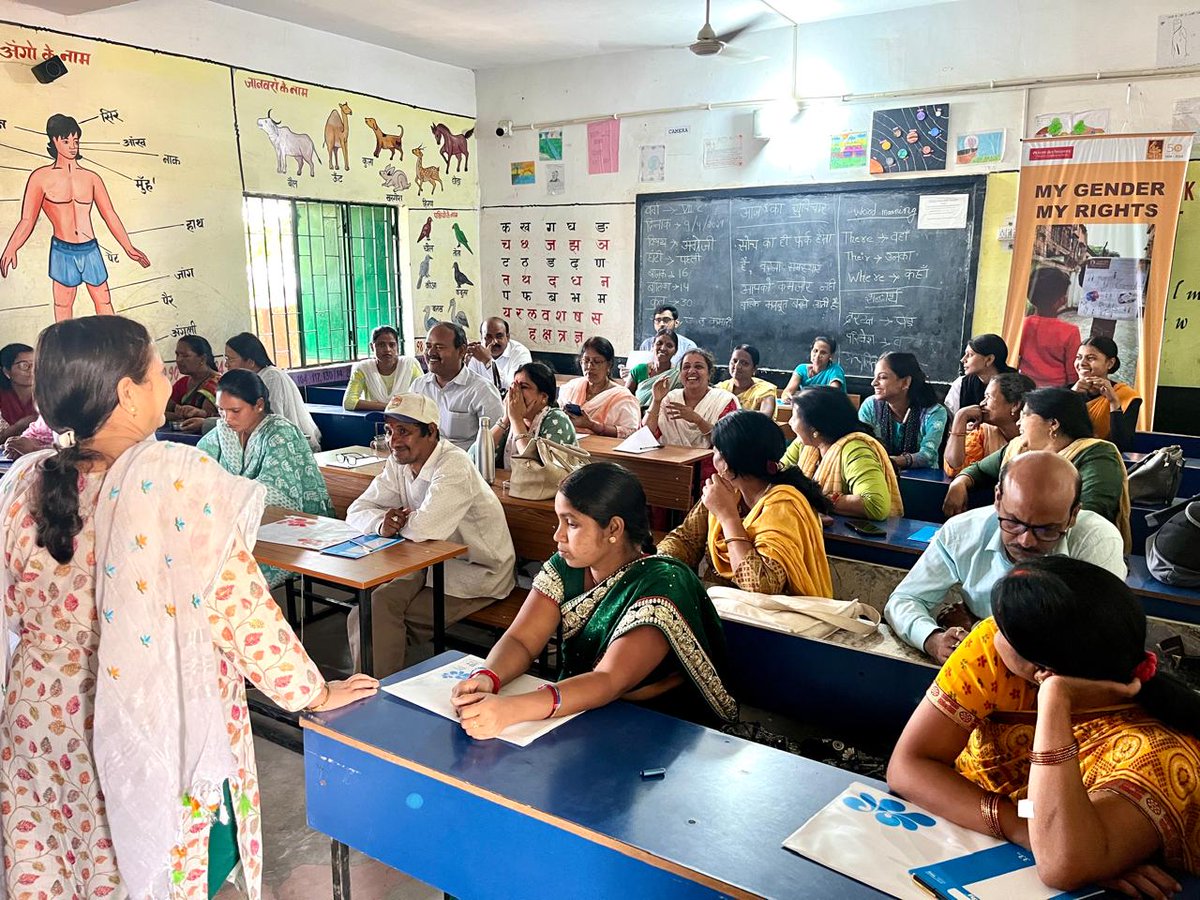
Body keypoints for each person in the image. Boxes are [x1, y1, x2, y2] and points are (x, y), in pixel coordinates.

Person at [0, 316, 376, 899]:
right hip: (138, 714)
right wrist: (314, 693)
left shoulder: (24, 480)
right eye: (157, 370)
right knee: (145, 863)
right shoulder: (173, 480)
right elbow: (240, 611)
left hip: (38, 717)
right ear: (127, 392)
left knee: (58, 862)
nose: (167, 379)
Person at [888, 557, 1200, 890]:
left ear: (1042, 671)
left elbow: (1062, 866)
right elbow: (908, 766)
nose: (990, 630)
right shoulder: (993, 647)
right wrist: (1023, 830)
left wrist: (1054, 698)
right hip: (963, 841)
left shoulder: (1156, 751)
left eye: (1003, 630)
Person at [450, 462, 736, 736]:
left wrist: (510, 710)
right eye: (558, 521)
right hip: (577, 707)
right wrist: (488, 676)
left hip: (656, 725)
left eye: (571, 524)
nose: (557, 535)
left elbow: (608, 680)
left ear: (613, 529)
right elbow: (522, 640)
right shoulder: (568, 565)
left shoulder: (661, 586)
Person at [885, 452, 1126, 662]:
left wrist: (983, 631)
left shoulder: (1097, 541)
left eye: (1047, 529)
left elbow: (1102, 634)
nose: (1026, 541)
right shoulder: (963, 532)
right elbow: (904, 600)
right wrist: (932, 639)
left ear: (1073, 515)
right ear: (998, 499)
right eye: (1013, 523)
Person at [346, 393, 516, 677]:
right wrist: (381, 524)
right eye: (389, 431)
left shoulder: (454, 464)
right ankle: (369, 693)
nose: (394, 440)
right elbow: (357, 510)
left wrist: (401, 524)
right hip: (425, 564)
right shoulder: (398, 463)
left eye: (404, 431)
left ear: (431, 431)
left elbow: (426, 529)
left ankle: (374, 701)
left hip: (474, 572)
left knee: (378, 619)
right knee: (368, 611)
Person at [658, 410, 833, 596]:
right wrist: (659, 564)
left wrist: (728, 517)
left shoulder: (783, 504)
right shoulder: (727, 491)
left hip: (767, 620)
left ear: (726, 462)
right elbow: (685, 540)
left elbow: (761, 586)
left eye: (716, 450)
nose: (712, 457)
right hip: (721, 605)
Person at [0, 114, 151, 321]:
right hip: (63, 250)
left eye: (76, 141)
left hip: (90, 249)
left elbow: (109, 214)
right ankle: (63, 352)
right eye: (66, 141)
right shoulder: (40, 178)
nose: (72, 146)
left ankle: (113, 349)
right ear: (54, 141)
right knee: (63, 307)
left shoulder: (91, 178)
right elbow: (27, 220)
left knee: (104, 303)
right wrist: (12, 247)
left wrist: (128, 247)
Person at [944, 387, 1131, 550]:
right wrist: (960, 483)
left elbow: (1090, 515)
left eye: (1025, 415)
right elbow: (980, 470)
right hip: (1018, 541)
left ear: (1053, 423)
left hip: (1073, 548)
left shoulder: (1097, 454)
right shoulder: (1019, 448)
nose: (1018, 422)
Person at [198, 369, 334, 587]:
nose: (227, 419)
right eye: (221, 411)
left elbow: (276, 494)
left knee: (228, 572)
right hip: (241, 523)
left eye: (235, 410)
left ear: (259, 405)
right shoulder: (221, 433)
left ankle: (244, 616)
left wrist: (223, 496)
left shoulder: (280, 432)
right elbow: (198, 473)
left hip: (289, 528)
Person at [782, 386, 903, 521]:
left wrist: (816, 500)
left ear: (814, 427)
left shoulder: (855, 449)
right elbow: (779, 475)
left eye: (795, 416)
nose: (790, 422)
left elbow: (875, 504)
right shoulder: (805, 444)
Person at [411, 321, 503, 452]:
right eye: (428, 346)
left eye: (439, 347)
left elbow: (496, 440)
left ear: (461, 351)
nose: (431, 352)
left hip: (465, 465)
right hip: (424, 462)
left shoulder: (482, 390)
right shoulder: (418, 386)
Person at [224, 331, 322, 451]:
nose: (226, 364)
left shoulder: (271, 377)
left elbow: (274, 419)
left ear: (250, 362)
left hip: (290, 446)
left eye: (231, 359)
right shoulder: (248, 381)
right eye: (226, 359)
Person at [858, 351, 948, 471]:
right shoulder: (871, 406)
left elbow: (928, 456)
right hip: (879, 473)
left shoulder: (934, 412)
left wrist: (890, 461)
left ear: (905, 382)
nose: (874, 383)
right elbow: (862, 446)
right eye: (875, 377)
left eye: (883, 377)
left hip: (923, 481)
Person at [943, 372, 1035, 477]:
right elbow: (954, 469)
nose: (982, 403)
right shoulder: (983, 432)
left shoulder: (1038, 437)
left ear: (1015, 405)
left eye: (988, 397)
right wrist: (960, 417)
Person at [490, 361, 577, 468]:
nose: (515, 392)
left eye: (523, 387)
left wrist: (516, 420)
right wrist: (505, 419)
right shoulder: (510, 421)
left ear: (543, 397)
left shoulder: (557, 419)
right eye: (513, 386)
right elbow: (476, 457)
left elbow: (536, 469)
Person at [645, 348, 738, 448]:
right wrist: (656, 401)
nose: (691, 371)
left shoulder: (724, 401)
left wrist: (698, 420)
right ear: (680, 374)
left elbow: (728, 442)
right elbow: (646, 436)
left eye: (698, 367)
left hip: (709, 461)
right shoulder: (670, 399)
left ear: (709, 374)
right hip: (669, 460)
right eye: (686, 367)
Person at [558, 336, 641, 438]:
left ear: (609, 365)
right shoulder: (571, 388)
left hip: (604, 450)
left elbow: (631, 433)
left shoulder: (623, 398)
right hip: (568, 445)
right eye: (586, 360)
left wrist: (591, 425)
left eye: (597, 362)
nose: (589, 367)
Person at [1071, 336, 1141, 451]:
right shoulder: (1065, 392)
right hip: (1065, 460)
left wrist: (1114, 402)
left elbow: (1122, 445)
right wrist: (1070, 397)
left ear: (1110, 363)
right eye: (1078, 357)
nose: (1082, 363)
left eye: (1091, 358)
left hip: (1103, 461)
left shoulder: (1127, 396)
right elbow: (1051, 435)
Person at [1019, 267, 1081, 388]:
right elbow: (1073, 373)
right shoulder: (1071, 331)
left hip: (1025, 386)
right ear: (1061, 300)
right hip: (1055, 392)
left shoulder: (1022, 325)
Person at [342, 324, 423, 411]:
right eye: (381, 345)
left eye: (392, 345)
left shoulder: (409, 365)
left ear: (397, 346)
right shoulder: (363, 369)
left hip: (406, 418)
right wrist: (389, 407)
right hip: (374, 418)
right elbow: (349, 403)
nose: (387, 349)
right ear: (372, 347)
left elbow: (423, 398)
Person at [944, 333, 1015, 416]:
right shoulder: (962, 384)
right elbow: (949, 421)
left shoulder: (1015, 385)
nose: (963, 359)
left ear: (989, 359)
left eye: (970, 355)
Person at [163, 334, 219, 433]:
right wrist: (179, 415)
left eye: (185, 356)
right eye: (177, 355)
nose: (178, 360)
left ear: (202, 359)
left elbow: (210, 417)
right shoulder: (182, 383)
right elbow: (162, 411)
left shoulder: (218, 384)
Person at [466, 316, 532, 393]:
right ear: (481, 338)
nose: (494, 342)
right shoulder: (476, 353)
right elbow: (470, 386)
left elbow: (513, 388)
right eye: (488, 337)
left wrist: (488, 362)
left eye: (499, 336)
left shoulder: (520, 353)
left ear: (507, 337)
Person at [716, 344, 777, 418]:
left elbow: (765, 418)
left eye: (744, 363)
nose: (737, 366)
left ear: (754, 369)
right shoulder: (721, 388)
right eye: (734, 361)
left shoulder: (765, 390)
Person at [625, 327, 680, 409]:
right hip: (636, 417)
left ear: (675, 351)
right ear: (652, 346)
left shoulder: (678, 375)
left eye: (669, 345)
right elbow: (624, 399)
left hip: (665, 419)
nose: (663, 348)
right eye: (659, 343)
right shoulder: (639, 370)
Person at [0, 342, 36, 443]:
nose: (32, 370)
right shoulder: (3, 395)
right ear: (6, 371)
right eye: (24, 365)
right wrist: (19, 426)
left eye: (35, 364)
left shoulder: (49, 393)